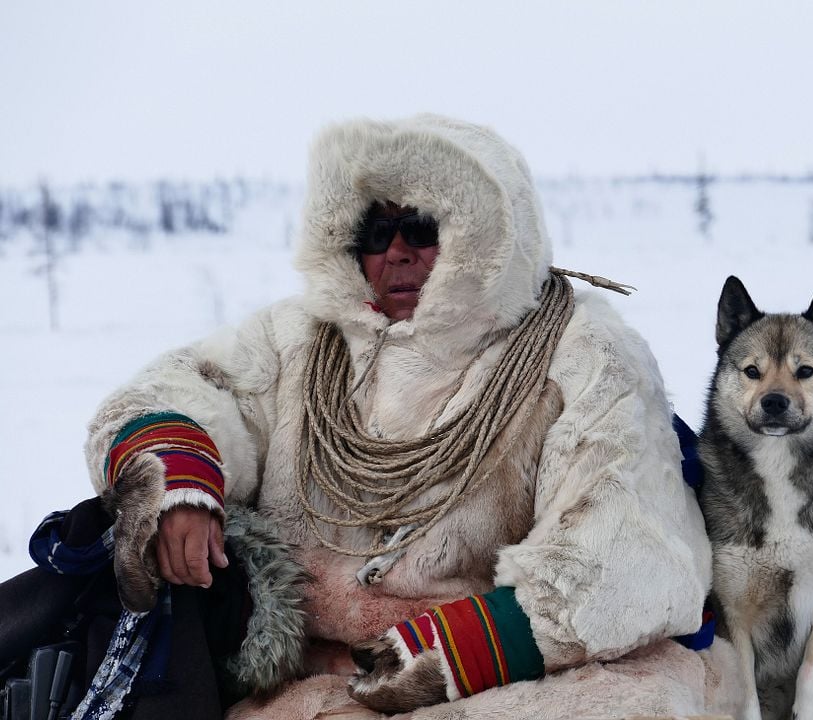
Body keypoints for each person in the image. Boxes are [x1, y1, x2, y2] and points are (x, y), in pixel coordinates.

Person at [85, 114, 738, 719]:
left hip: (524, 673)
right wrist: (179, 483)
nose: (395, 252)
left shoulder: (586, 351)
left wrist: (464, 648)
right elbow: (180, 387)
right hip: (325, 673)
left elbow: (631, 552)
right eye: (375, 233)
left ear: (482, 237)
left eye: (422, 227)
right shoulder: (297, 340)